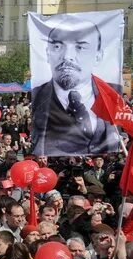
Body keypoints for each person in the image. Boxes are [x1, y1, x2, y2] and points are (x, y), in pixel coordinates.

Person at [30, 15, 118, 155]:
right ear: (48, 53)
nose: (67, 56)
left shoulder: (114, 95)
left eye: (80, 47)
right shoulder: (37, 99)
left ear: (98, 56)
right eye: (57, 46)